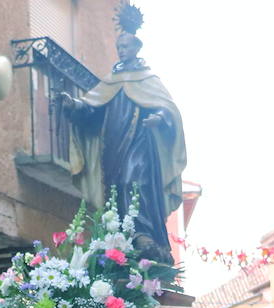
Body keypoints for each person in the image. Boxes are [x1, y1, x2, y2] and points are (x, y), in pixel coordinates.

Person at [62, 1, 186, 260]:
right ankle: (120, 237)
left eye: (126, 46)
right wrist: (73, 105)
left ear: (137, 47)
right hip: (113, 147)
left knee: (135, 181)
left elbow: (169, 110)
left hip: (141, 142)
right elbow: (92, 110)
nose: (121, 50)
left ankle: (143, 234)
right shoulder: (111, 81)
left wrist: (159, 118)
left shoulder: (149, 80)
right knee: (116, 188)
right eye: (118, 47)